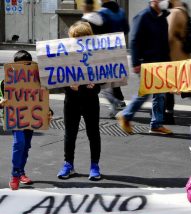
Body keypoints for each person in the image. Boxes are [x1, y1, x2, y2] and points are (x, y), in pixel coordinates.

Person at [117, 0, 173, 135]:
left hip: (160, 64)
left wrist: (168, 63)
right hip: (146, 63)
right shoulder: (143, 16)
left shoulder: (162, 18)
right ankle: (126, 115)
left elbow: (164, 43)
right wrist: (136, 62)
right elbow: (134, 40)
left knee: (158, 94)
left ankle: (156, 124)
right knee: (146, 93)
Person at [57, 21, 102, 181]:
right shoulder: (66, 55)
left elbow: (103, 77)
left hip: (90, 100)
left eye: (81, 38)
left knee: (93, 133)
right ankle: (68, 164)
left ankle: (95, 165)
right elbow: (59, 76)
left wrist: (95, 85)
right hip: (72, 101)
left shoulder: (96, 56)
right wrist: (69, 87)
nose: (78, 41)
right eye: (75, 38)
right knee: (70, 133)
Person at [1, 50, 53, 190]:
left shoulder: (37, 81)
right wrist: (1, 102)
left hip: (30, 118)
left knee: (26, 146)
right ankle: (15, 174)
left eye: (26, 64)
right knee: (19, 143)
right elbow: (1, 97)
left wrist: (48, 111)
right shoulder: (6, 81)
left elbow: (41, 98)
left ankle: (21, 171)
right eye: (19, 65)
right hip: (16, 118)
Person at [82, 0, 129, 118]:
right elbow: (126, 30)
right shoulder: (121, 11)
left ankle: (115, 102)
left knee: (102, 82)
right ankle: (120, 101)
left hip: (104, 51)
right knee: (113, 77)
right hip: (117, 49)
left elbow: (97, 33)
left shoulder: (101, 13)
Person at [163, 0, 191, 124]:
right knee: (177, 86)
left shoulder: (174, 13)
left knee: (170, 86)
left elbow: (168, 37)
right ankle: (167, 113)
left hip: (174, 56)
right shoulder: (184, 12)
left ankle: (168, 114)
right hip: (182, 55)